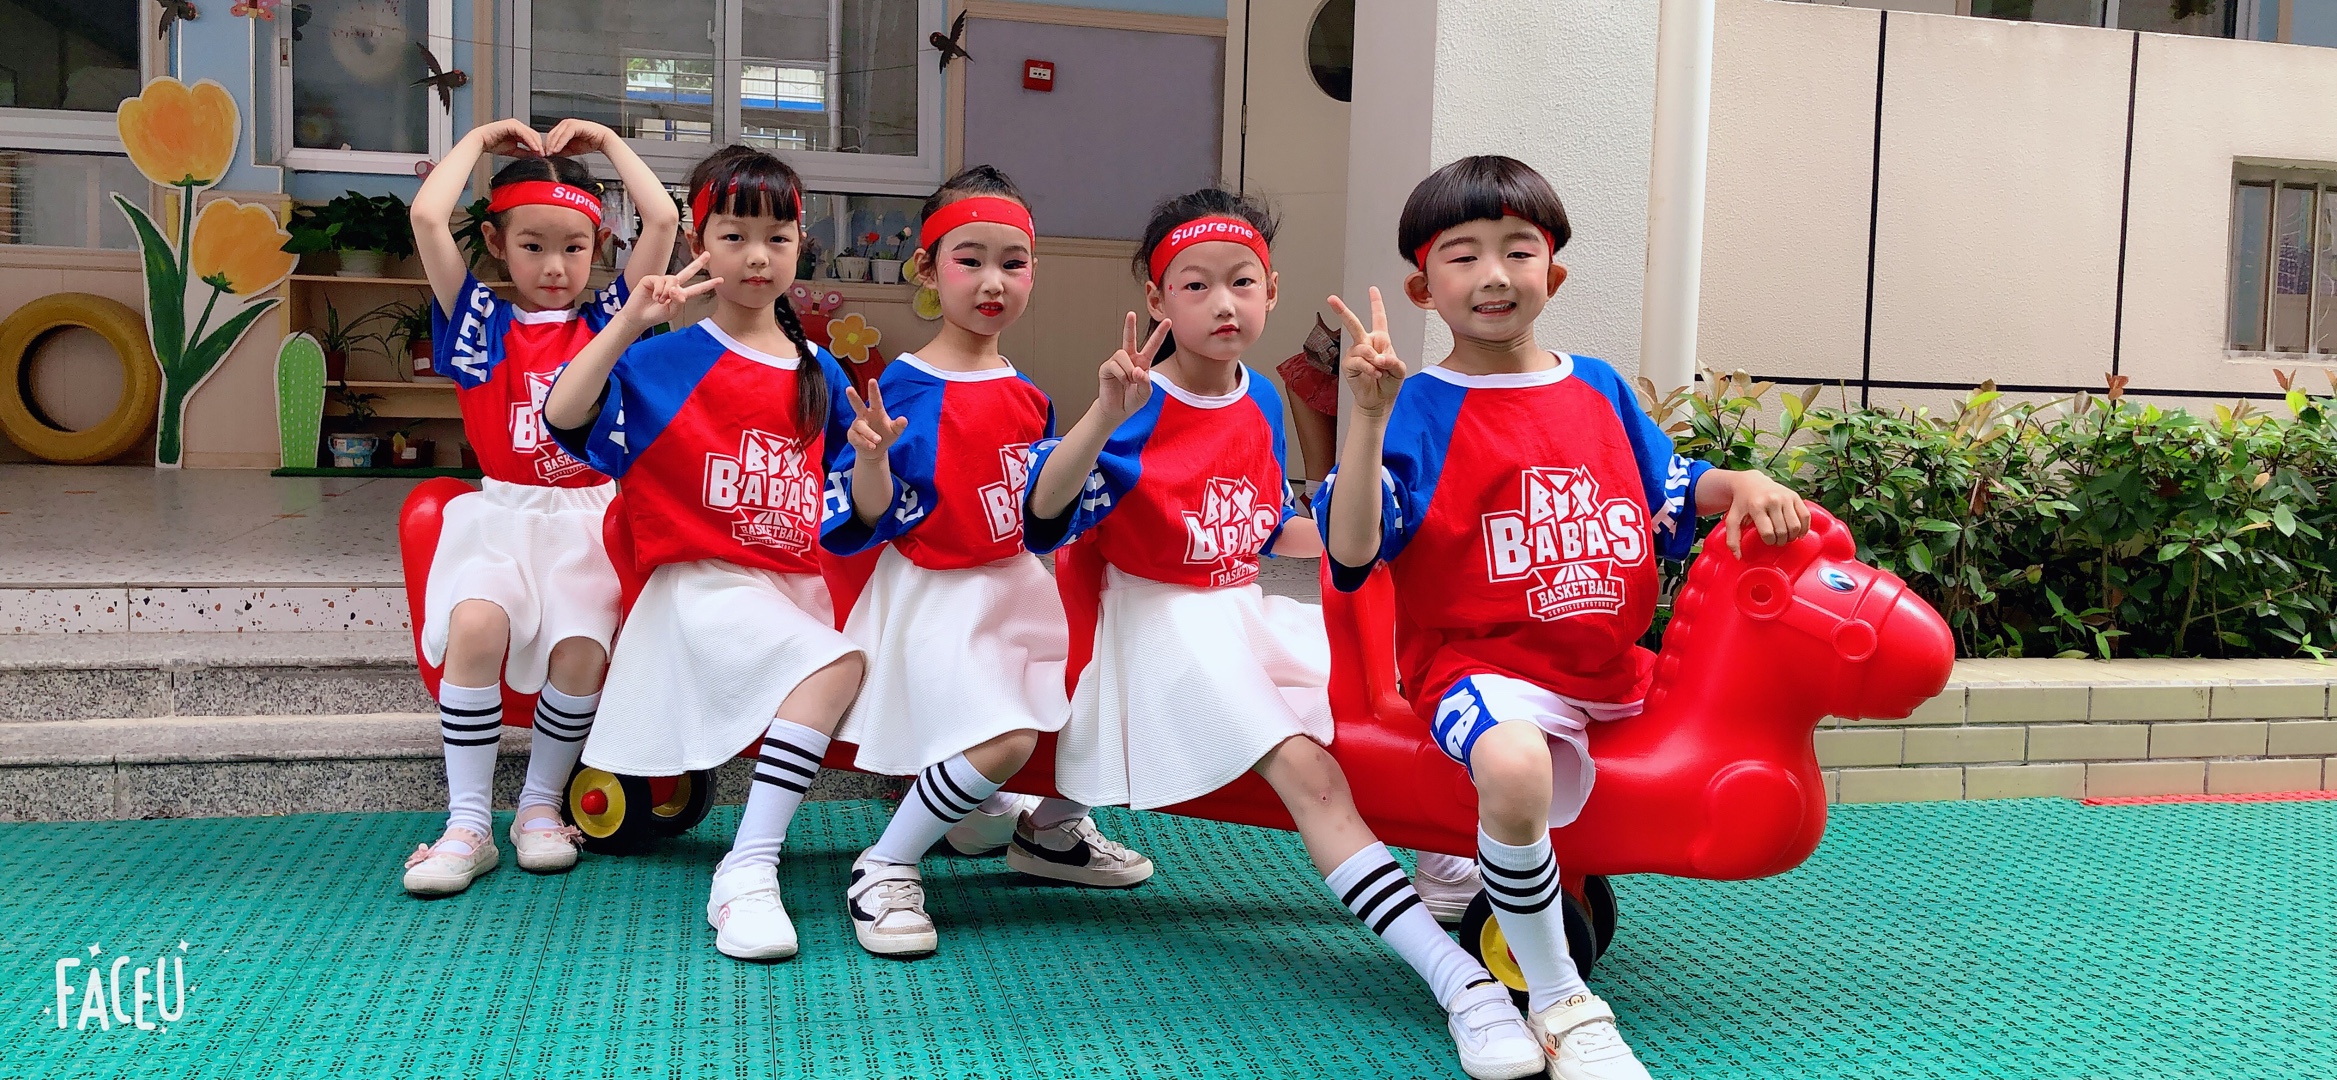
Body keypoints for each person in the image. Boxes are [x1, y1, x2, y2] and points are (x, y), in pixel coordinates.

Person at [1021, 188, 1546, 1080]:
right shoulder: (1136, 397)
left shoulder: (1260, 396)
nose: (1222, 304)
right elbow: (1044, 515)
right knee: (1310, 773)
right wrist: (1102, 414)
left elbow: (1269, 529)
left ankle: (1439, 856)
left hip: (1237, 604)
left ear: (1271, 291)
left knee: (1370, 693)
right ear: (1156, 300)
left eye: (1242, 282)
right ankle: (1460, 981)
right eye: (1194, 285)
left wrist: (1383, 532)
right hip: (1157, 619)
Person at [1319, 155, 1812, 1079]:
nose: (1494, 274)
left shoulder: (1598, 388)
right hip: (1479, 668)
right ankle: (1561, 1002)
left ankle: (1534, 932)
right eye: (1463, 255)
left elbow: (1670, 489)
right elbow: (1351, 553)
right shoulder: (1418, 406)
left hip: (1609, 666)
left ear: (1554, 272)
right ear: (1424, 288)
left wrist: (1741, 481)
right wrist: (1368, 418)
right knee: (1512, 764)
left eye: (1518, 250)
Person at [820, 165, 1153, 958]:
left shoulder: (1027, 394)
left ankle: (1045, 831)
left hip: (1017, 594)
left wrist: (1106, 418)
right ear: (927, 269)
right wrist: (871, 462)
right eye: (969, 260)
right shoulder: (900, 388)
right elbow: (864, 513)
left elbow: (1041, 515)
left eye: (1013, 262)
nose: (992, 281)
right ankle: (885, 864)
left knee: (1103, 691)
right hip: (935, 602)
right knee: (1005, 740)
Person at [542, 145, 864, 962]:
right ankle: (747, 871)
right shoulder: (663, 359)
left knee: (887, 662)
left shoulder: (821, 372)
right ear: (698, 243)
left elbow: (854, 504)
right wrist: (628, 322)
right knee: (837, 666)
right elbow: (564, 416)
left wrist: (878, 460)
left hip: (790, 590)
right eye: (734, 235)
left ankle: (982, 808)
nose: (757, 256)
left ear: (800, 246)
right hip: (701, 590)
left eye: (778, 238)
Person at [400, 116, 678, 896]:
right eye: (532, 245)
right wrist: (480, 142)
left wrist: (612, 146)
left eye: (574, 247)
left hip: (589, 519)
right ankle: (466, 823)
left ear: (598, 247)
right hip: (501, 518)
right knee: (475, 626)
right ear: (496, 243)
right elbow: (427, 216)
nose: (555, 266)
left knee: (582, 653)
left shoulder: (610, 320)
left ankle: (539, 807)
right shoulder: (477, 322)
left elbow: (663, 221)